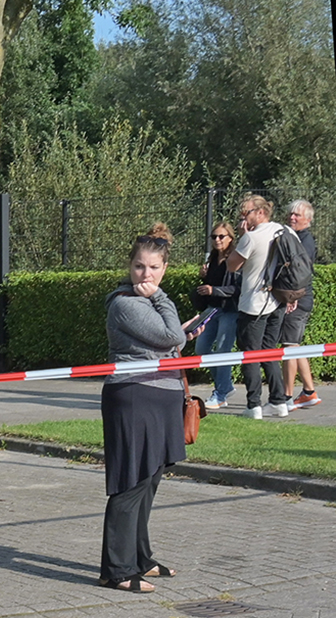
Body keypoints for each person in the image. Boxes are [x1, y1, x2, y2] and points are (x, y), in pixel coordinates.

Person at [99, 225, 205, 593]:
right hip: (134, 396)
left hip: (161, 396)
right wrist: (162, 300)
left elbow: (169, 341)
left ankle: (140, 558)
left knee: (150, 480)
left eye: (154, 268)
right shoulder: (125, 303)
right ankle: (116, 570)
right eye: (140, 266)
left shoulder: (149, 303)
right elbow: (169, 336)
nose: (146, 274)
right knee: (131, 481)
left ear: (165, 268)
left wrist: (181, 334)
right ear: (129, 266)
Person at [225, 195, 290, 418]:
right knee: (270, 350)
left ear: (261, 212)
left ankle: (253, 405)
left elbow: (232, 266)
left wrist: (242, 236)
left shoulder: (251, 237)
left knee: (250, 354)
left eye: (246, 213)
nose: (243, 217)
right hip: (278, 301)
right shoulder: (284, 231)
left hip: (254, 304)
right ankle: (279, 401)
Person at [191, 221, 242, 409]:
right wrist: (204, 277)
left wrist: (214, 290)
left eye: (221, 236)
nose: (217, 240)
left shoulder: (236, 259)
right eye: (214, 237)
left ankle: (220, 393)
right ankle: (226, 385)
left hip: (229, 310)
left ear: (230, 238)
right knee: (201, 349)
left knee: (222, 351)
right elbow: (209, 285)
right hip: (211, 310)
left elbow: (237, 288)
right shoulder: (212, 258)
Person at [280, 200, 321, 410]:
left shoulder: (304, 241)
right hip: (297, 297)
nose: (292, 217)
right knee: (294, 345)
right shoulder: (295, 238)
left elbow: (300, 272)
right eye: (290, 214)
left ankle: (286, 397)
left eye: (297, 215)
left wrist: (292, 297)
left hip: (298, 299)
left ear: (308, 219)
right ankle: (308, 392)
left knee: (288, 348)